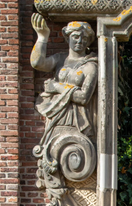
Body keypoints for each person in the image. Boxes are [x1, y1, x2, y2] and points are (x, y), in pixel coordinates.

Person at [30, 14, 98, 145]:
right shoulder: (60, 59)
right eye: (76, 37)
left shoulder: (90, 65)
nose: (79, 41)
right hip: (57, 114)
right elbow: (37, 63)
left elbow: (84, 97)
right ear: (68, 38)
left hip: (77, 119)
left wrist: (57, 87)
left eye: (84, 38)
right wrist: (42, 37)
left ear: (88, 41)